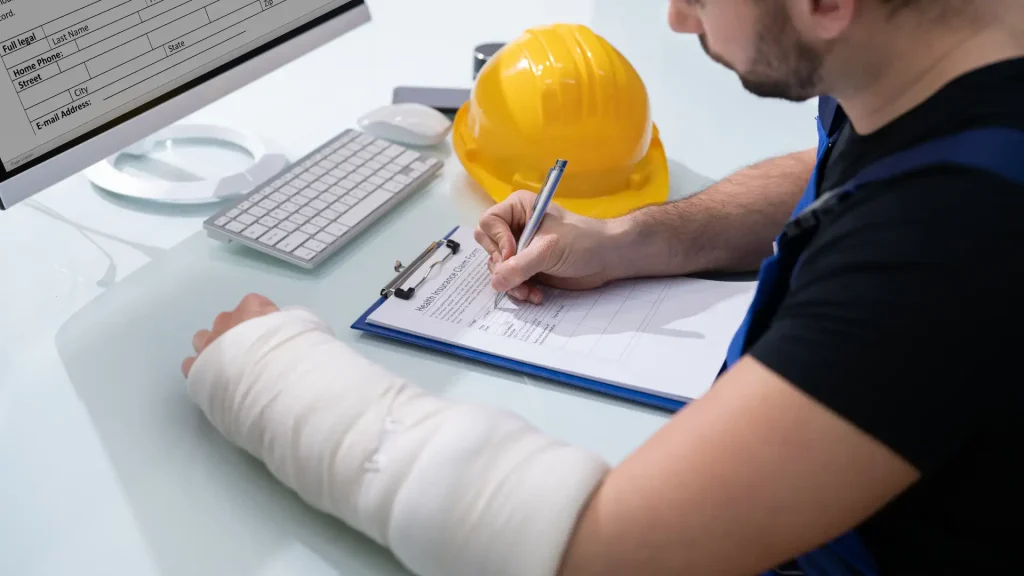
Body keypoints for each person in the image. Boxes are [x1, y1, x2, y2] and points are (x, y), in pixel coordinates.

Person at [181, 0, 1024, 574]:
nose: (676, 15)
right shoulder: (949, 52)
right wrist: (638, 237)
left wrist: (265, 370)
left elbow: (599, 551)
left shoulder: (950, 244)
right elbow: (847, 169)